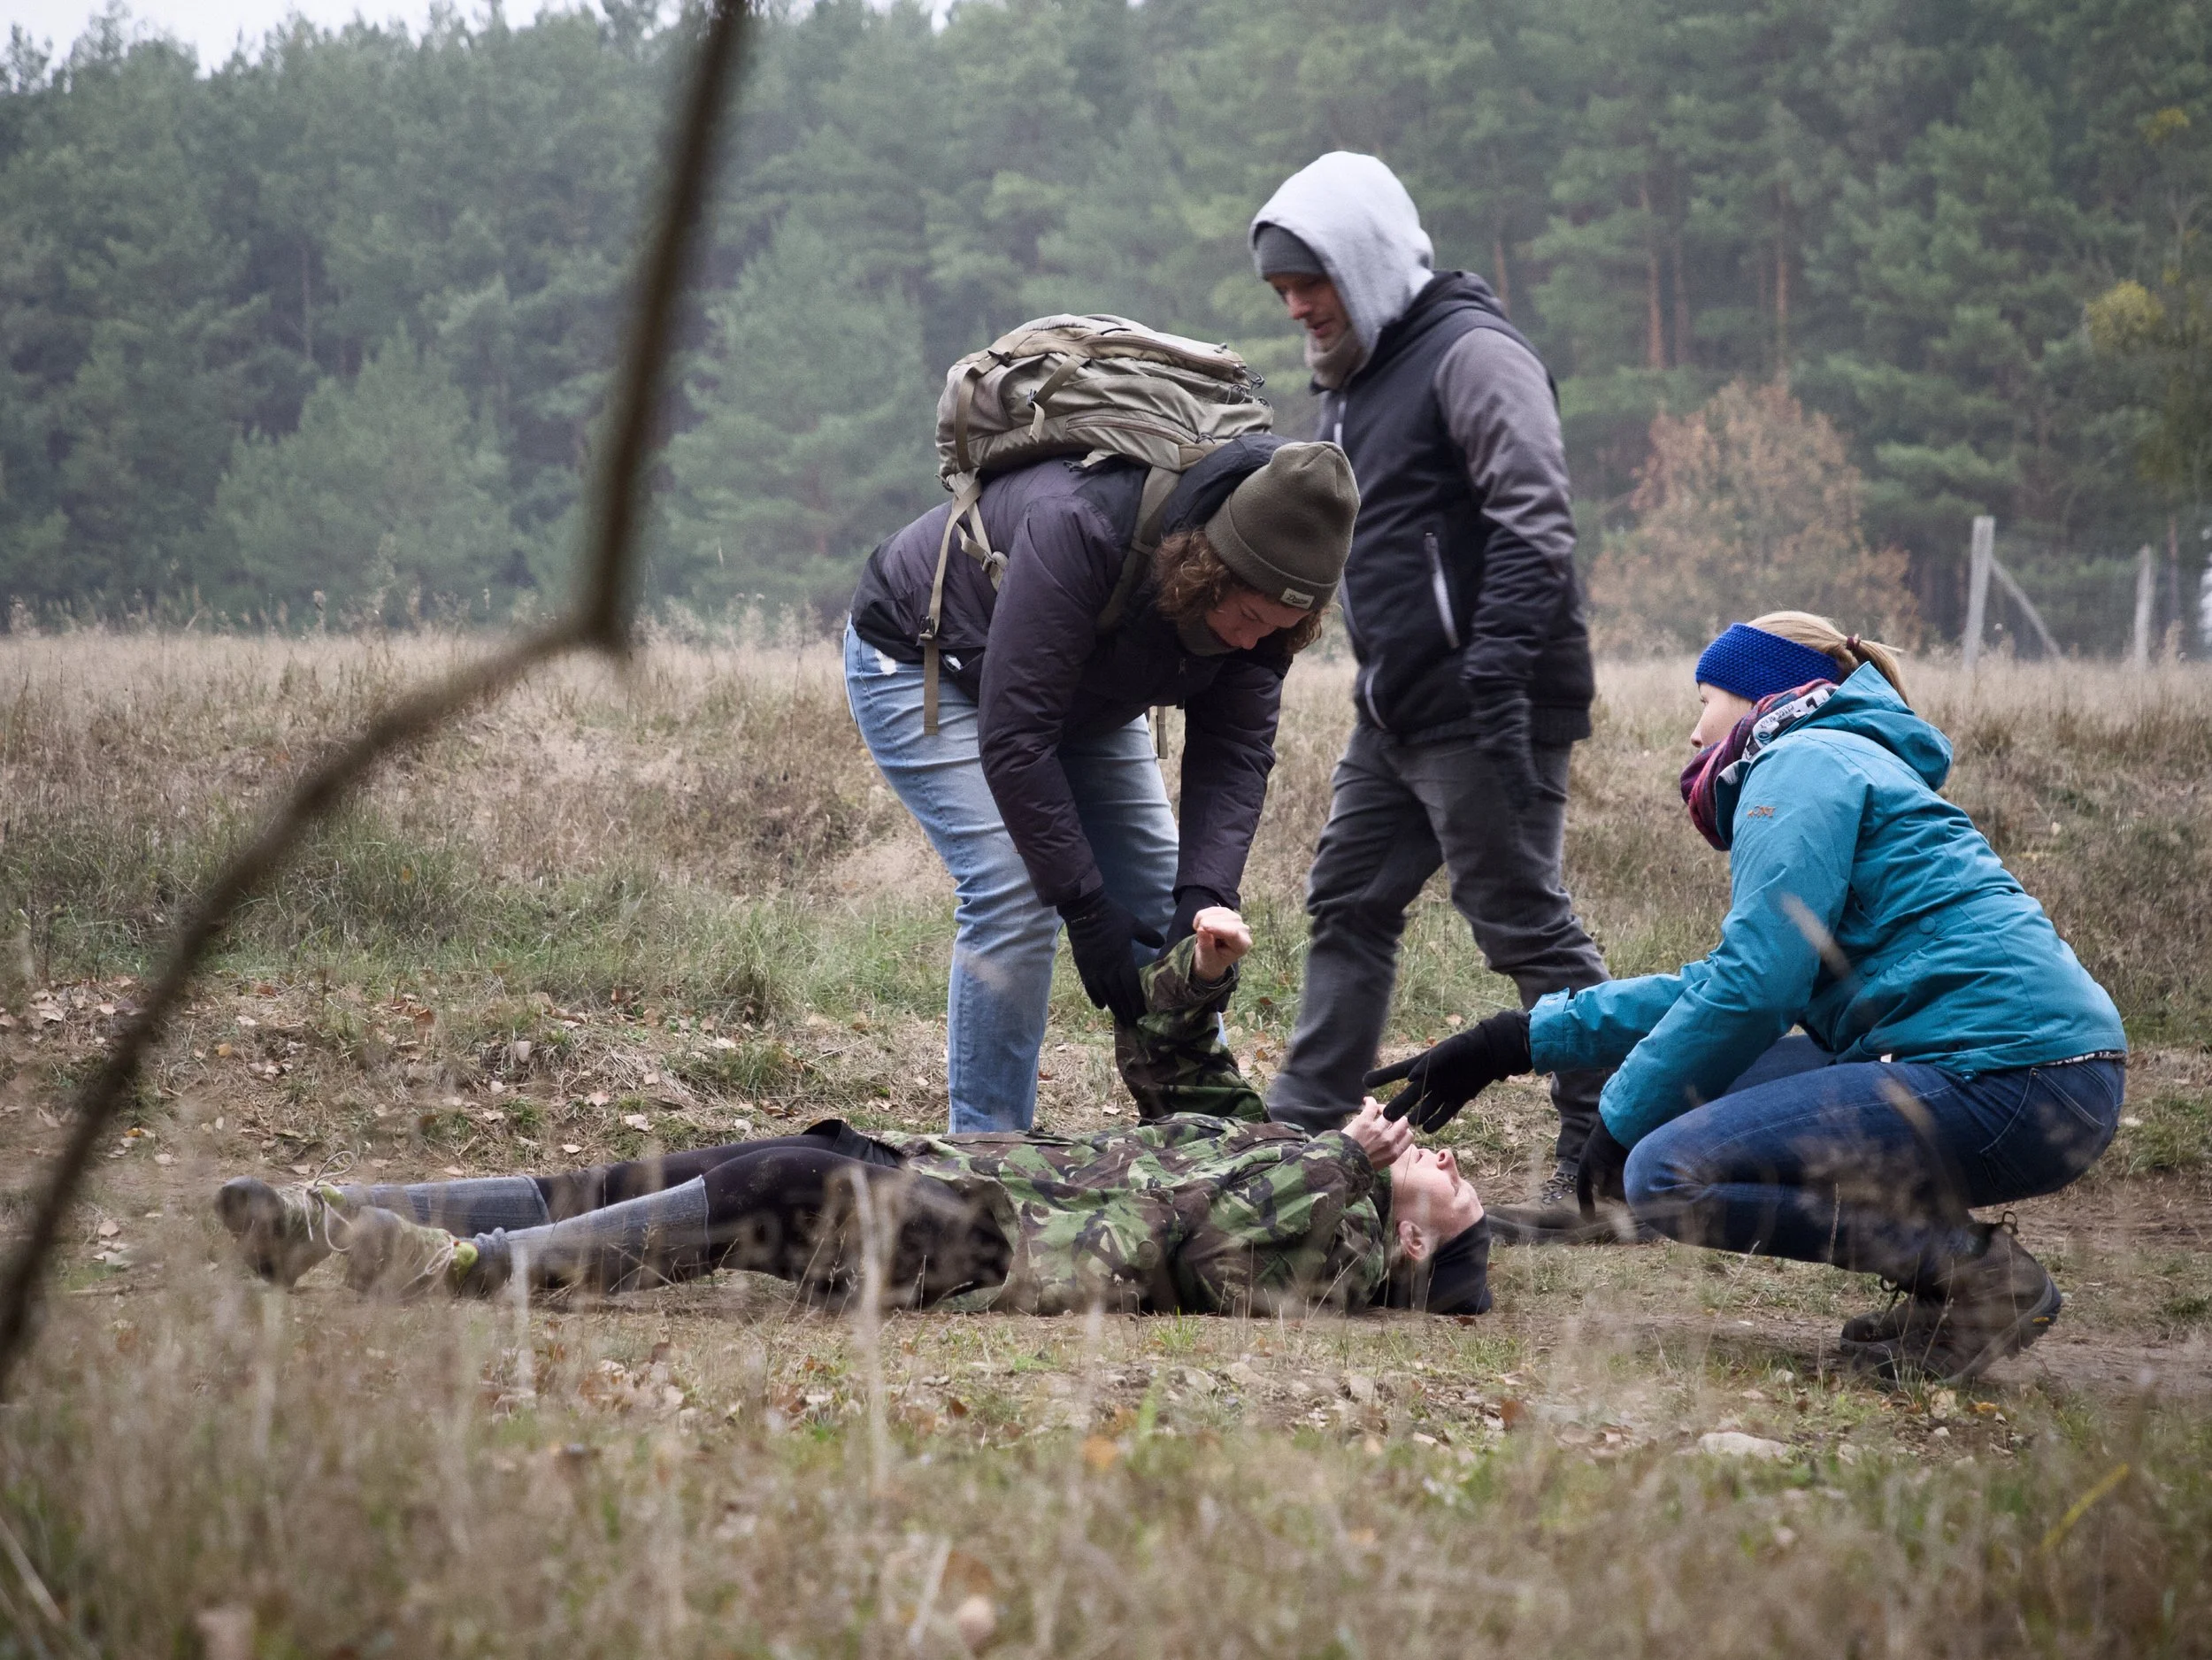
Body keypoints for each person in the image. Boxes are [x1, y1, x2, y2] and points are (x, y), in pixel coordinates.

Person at [1363, 612, 2126, 1384]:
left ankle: (1978, 1279)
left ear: (1764, 691)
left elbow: (1757, 987)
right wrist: (1517, 1039)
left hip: (2007, 1078)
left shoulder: (1801, 762)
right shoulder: (1838, 756)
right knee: (1693, 1100)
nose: (1695, 733)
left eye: (1705, 699)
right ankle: (1949, 1285)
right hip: (2020, 1072)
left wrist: (1620, 1121)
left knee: (1665, 1172)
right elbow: (1725, 985)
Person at [218, 911, 1493, 1318]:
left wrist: (1341, 1169)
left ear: (1426, 1244)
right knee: (710, 1166)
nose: (1448, 1156)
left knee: (784, 1190)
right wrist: (1200, 982)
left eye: (1461, 1186)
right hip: (977, 1176)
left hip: (1015, 1252)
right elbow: (1174, 1078)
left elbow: (1207, 1257)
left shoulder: (1347, 1260)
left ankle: (458, 1273)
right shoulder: (1313, 1160)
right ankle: (333, 1221)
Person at [1246, 151, 1611, 1217]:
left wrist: (1493, 673)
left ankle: (1601, 1150)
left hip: (1493, 699)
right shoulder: (1356, 379)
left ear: (1361, 264)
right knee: (1348, 900)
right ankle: (1304, 1139)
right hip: (1396, 707)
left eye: (1309, 281)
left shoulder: (1472, 354)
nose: (1297, 305)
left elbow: (1534, 517)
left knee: (1519, 921)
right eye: (1281, 290)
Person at [845, 435, 1358, 1134]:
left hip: (1087, 688)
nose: (1252, 641)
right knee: (1015, 892)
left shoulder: (1267, 619)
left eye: (1281, 629)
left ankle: (1218, 1156)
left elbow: (1235, 749)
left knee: (1165, 906)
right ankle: (983, 1165)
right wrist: (1085, 909)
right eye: (1246, 618)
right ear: (1207, 571)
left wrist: (1206, 894)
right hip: (925, 656)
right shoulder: (1081, 525)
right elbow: (1017, 736)